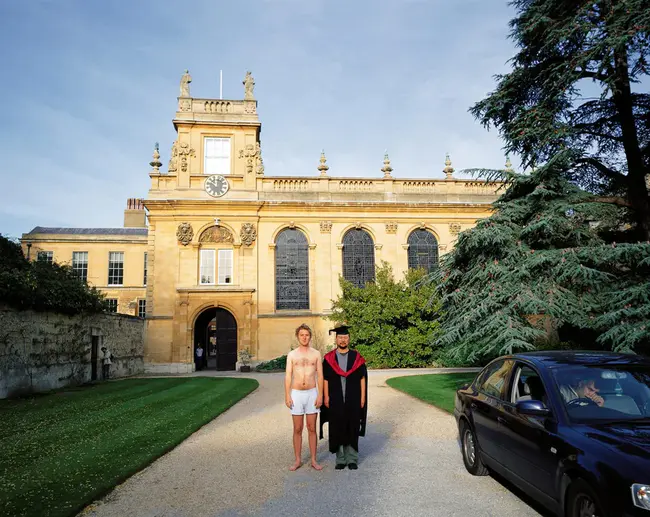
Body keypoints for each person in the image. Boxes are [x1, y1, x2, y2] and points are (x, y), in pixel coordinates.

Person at [319, 325, 368, 470]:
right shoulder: (329, 359)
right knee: (337, 426)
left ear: (349, 339)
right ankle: (340, 459)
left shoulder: (357, 357)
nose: (343, 340)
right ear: (336, 339)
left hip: (353, 397)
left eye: (345, 337)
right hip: (335, 398)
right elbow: (326, 379)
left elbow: (362, 378)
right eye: (340, 337)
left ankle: (352, 458)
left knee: (352, 426)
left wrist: (363, 397)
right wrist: (326, 396)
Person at [285, 323, 324, 471]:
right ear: (297, 336)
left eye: (307, 335)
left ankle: (314, 460)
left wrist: (320, 395)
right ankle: (297, 460)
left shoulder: (316, 354)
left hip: (311, 392)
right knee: (297, 428)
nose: (304, 337)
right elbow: (288, 376)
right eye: (301, 335)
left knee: (312, 427)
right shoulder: (292, 355)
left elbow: (320, 375)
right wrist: (287, 395)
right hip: (296, 393)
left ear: (310, 337)